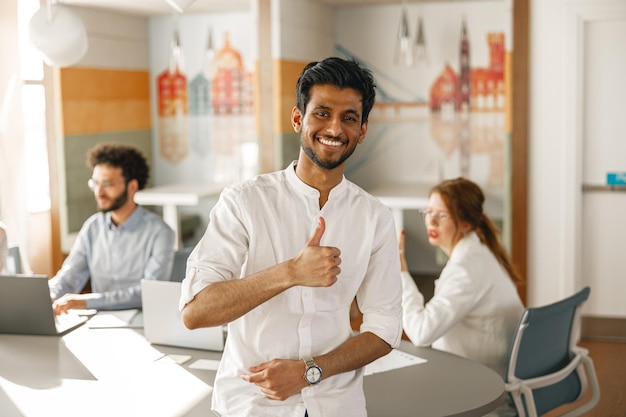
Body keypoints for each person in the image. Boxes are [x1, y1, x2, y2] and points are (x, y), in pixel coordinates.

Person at [180, 57, 403, 417]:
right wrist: (290, 273)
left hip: (337, 406)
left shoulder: (374, 217)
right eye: (322, 113)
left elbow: (386, 327)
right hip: (252, 405)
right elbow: (195, 312)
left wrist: (309, 373)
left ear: (362, 130)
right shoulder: (244, 201)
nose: (335, 127)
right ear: (298, 119)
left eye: (349, 118)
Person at [399, 177, 523, 415]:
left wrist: (401, 273)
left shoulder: (465, 271)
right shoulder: (478, 252)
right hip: (487, 370)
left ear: (465, 223)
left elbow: (420, 333)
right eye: (428, 211)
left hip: (479, 385)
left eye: (442, 215)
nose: (431, 221)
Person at [49, 143, 175, 314]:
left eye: (108, 184)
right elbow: (68, 278)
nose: (99, 193)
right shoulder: (92, 228)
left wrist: (88, 301)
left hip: (143, 323)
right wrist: (46, 296)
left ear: (132, 187)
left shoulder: (160, 233)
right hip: (99, 322)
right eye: (95, 183)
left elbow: (147, 293)